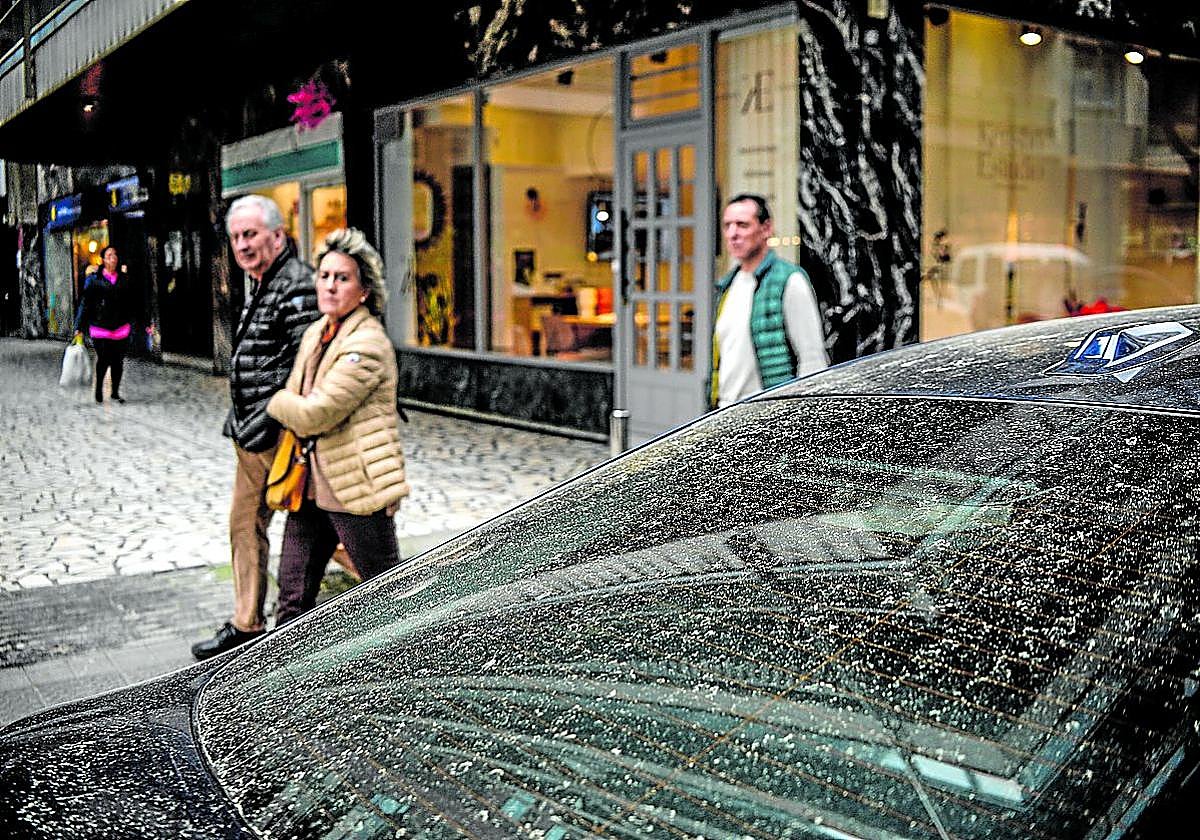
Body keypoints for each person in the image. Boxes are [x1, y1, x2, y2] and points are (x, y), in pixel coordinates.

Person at [191, 195, 319, 660]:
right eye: (237, 236)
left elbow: (303, 368)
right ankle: (247, 622)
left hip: (278, 434)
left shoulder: (296, 285)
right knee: (245, 525)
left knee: (333, 531)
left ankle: (396, 596)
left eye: (251, 234)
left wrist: (267, 420)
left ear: (278, 236)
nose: (242, 245)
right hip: (252, 434)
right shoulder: (262, 282)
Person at [266, 228, 409, 626]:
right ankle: (284, 683)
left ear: (363, 291)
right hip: (310, 484)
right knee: (292, 596)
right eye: (324, 275)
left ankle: (407, 672)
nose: (329, 285)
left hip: (356, 489)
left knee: (386, 596)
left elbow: (317, 413)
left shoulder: (367, 343)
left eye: (342, 278)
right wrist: (291, 401)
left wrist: (274, 400)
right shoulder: (318, 331)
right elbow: (302, 395)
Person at [708, 193, 828, 408]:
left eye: (742, 225)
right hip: (725, 412)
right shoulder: (728, 285)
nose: (733, 233)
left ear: (766, 229)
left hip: (766, 415)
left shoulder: (790, 280)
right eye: (727, 225)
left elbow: (812, 361)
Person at [74, 246, 133, 404]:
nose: (113, 258)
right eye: (109, 255)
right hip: (100, 327)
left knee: (118, 361)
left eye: (115, 255)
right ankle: (99, 388)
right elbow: (85, 303)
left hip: (121, 327)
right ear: (103, 260)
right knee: (104, 358)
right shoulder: (94, 279)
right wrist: (78, 326)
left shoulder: (124, 279)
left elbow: (131, 302)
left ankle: (115, 392)